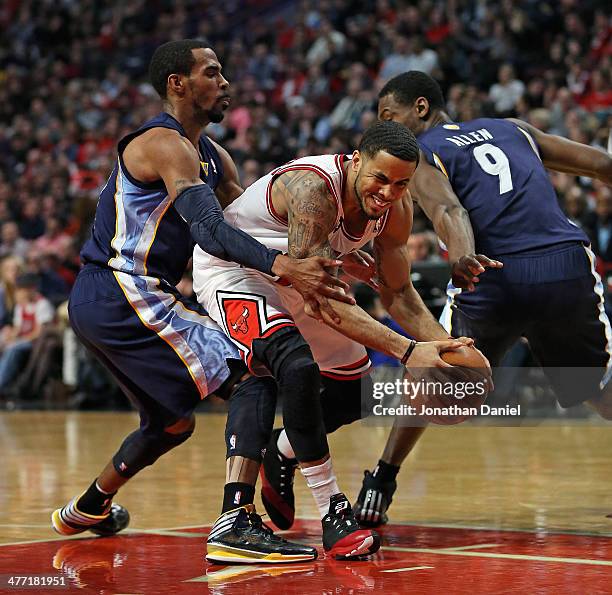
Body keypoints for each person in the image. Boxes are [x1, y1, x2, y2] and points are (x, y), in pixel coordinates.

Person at [51, 39, 356, 564]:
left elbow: (248, 227)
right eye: (212, 73)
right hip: (124, 286)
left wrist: (333, 250)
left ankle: (87, 507)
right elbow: (213, 233)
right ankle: (235, 520)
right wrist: (287, 268)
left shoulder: (216, 157)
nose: (225, 83)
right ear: (178, 84)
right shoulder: (162, 144)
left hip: (121, 298)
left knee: (171, 424)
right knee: (251, 371)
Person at [192, 120, 479, 561]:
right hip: (236, 273)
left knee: (354, 393)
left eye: (401, 184)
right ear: (356, 159)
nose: (388, 192)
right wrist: (407, 350)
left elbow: (399, 292)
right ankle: (333, 512)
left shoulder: (394, 211)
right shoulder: (314, 191)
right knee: (297, 366)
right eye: (380, 178)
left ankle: (281, 452)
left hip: (305, 276)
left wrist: (445, 349)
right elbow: (326, 307)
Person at [354, 70, 612, 527]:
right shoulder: (514, 129)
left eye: (389, 117)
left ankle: (382, 479)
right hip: (563, 264)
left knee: (435, 368)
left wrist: (465, 255)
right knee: (595, 384)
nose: (387, 130)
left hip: (493, 275)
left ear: (421, 108)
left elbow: (449, 209)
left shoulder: (424, 151)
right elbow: (599, 165)